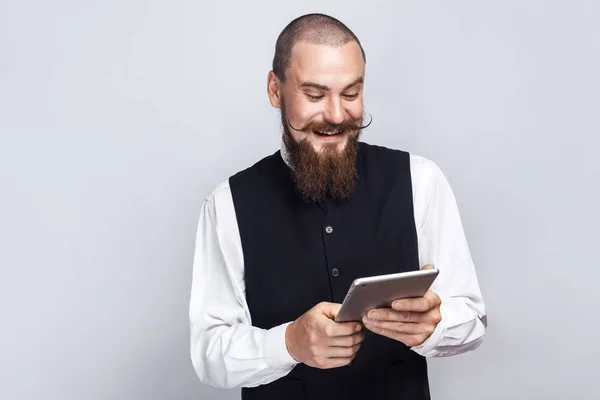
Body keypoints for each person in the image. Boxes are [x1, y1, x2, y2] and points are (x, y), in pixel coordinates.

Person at [189, 13, 486, 400]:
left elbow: (473, 322)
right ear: (275, 90)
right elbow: (210, 353)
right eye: (314, 95)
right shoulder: (226, 204)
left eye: (351, 94)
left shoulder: (422, 180)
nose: (335, 115)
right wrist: (290, 343)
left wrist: (435, 324)